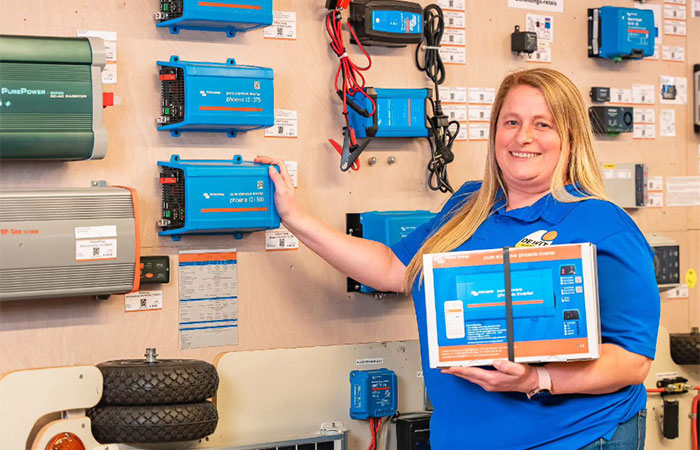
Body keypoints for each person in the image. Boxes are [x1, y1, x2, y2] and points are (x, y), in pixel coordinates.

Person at [255, 68, 660, 450]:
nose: (523, 137)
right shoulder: (469, 204)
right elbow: (391, 269)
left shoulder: (601, 223)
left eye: (543, 124)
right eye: (512, 122)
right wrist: (295, 217)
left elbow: (632, 362)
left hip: (575, 438)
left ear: (570, 137)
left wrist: (537, 378)